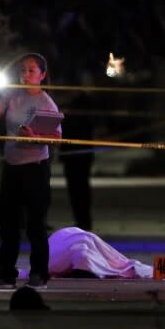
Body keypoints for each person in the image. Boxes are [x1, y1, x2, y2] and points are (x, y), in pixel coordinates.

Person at [0, 53, 62, 289]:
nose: (25, 75)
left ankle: (39, 273)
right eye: (22, 70)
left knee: (36, 223)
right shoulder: (12, 95)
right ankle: (6, 273)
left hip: (35, 168)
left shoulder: (46, 103)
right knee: (8, 222)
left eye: (31, 71)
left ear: (42, 75)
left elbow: (56, 138)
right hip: (11, 167)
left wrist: (36, 137)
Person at [58, 90, 95, 231]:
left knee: (78, 190)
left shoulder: (75, 116)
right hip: (77, 157)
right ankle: (83, 221)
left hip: (76, 157)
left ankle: (83, 221)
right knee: (80, 190)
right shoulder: (82, 116)